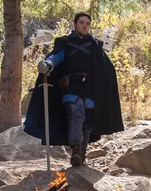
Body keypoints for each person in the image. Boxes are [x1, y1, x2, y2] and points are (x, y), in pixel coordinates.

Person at [24, 12, 124, 165]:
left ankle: (80, 156)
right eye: (82, 22)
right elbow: (56, 57)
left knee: (88, 122)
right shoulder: (66, 42)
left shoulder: (95, 46)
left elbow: (106, 67)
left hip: (90, 89)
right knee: (76, 114)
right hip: (71, 88)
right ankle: (76, 150)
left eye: (87, 23)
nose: (85, 26)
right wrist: (48, 64)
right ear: (75, 24)